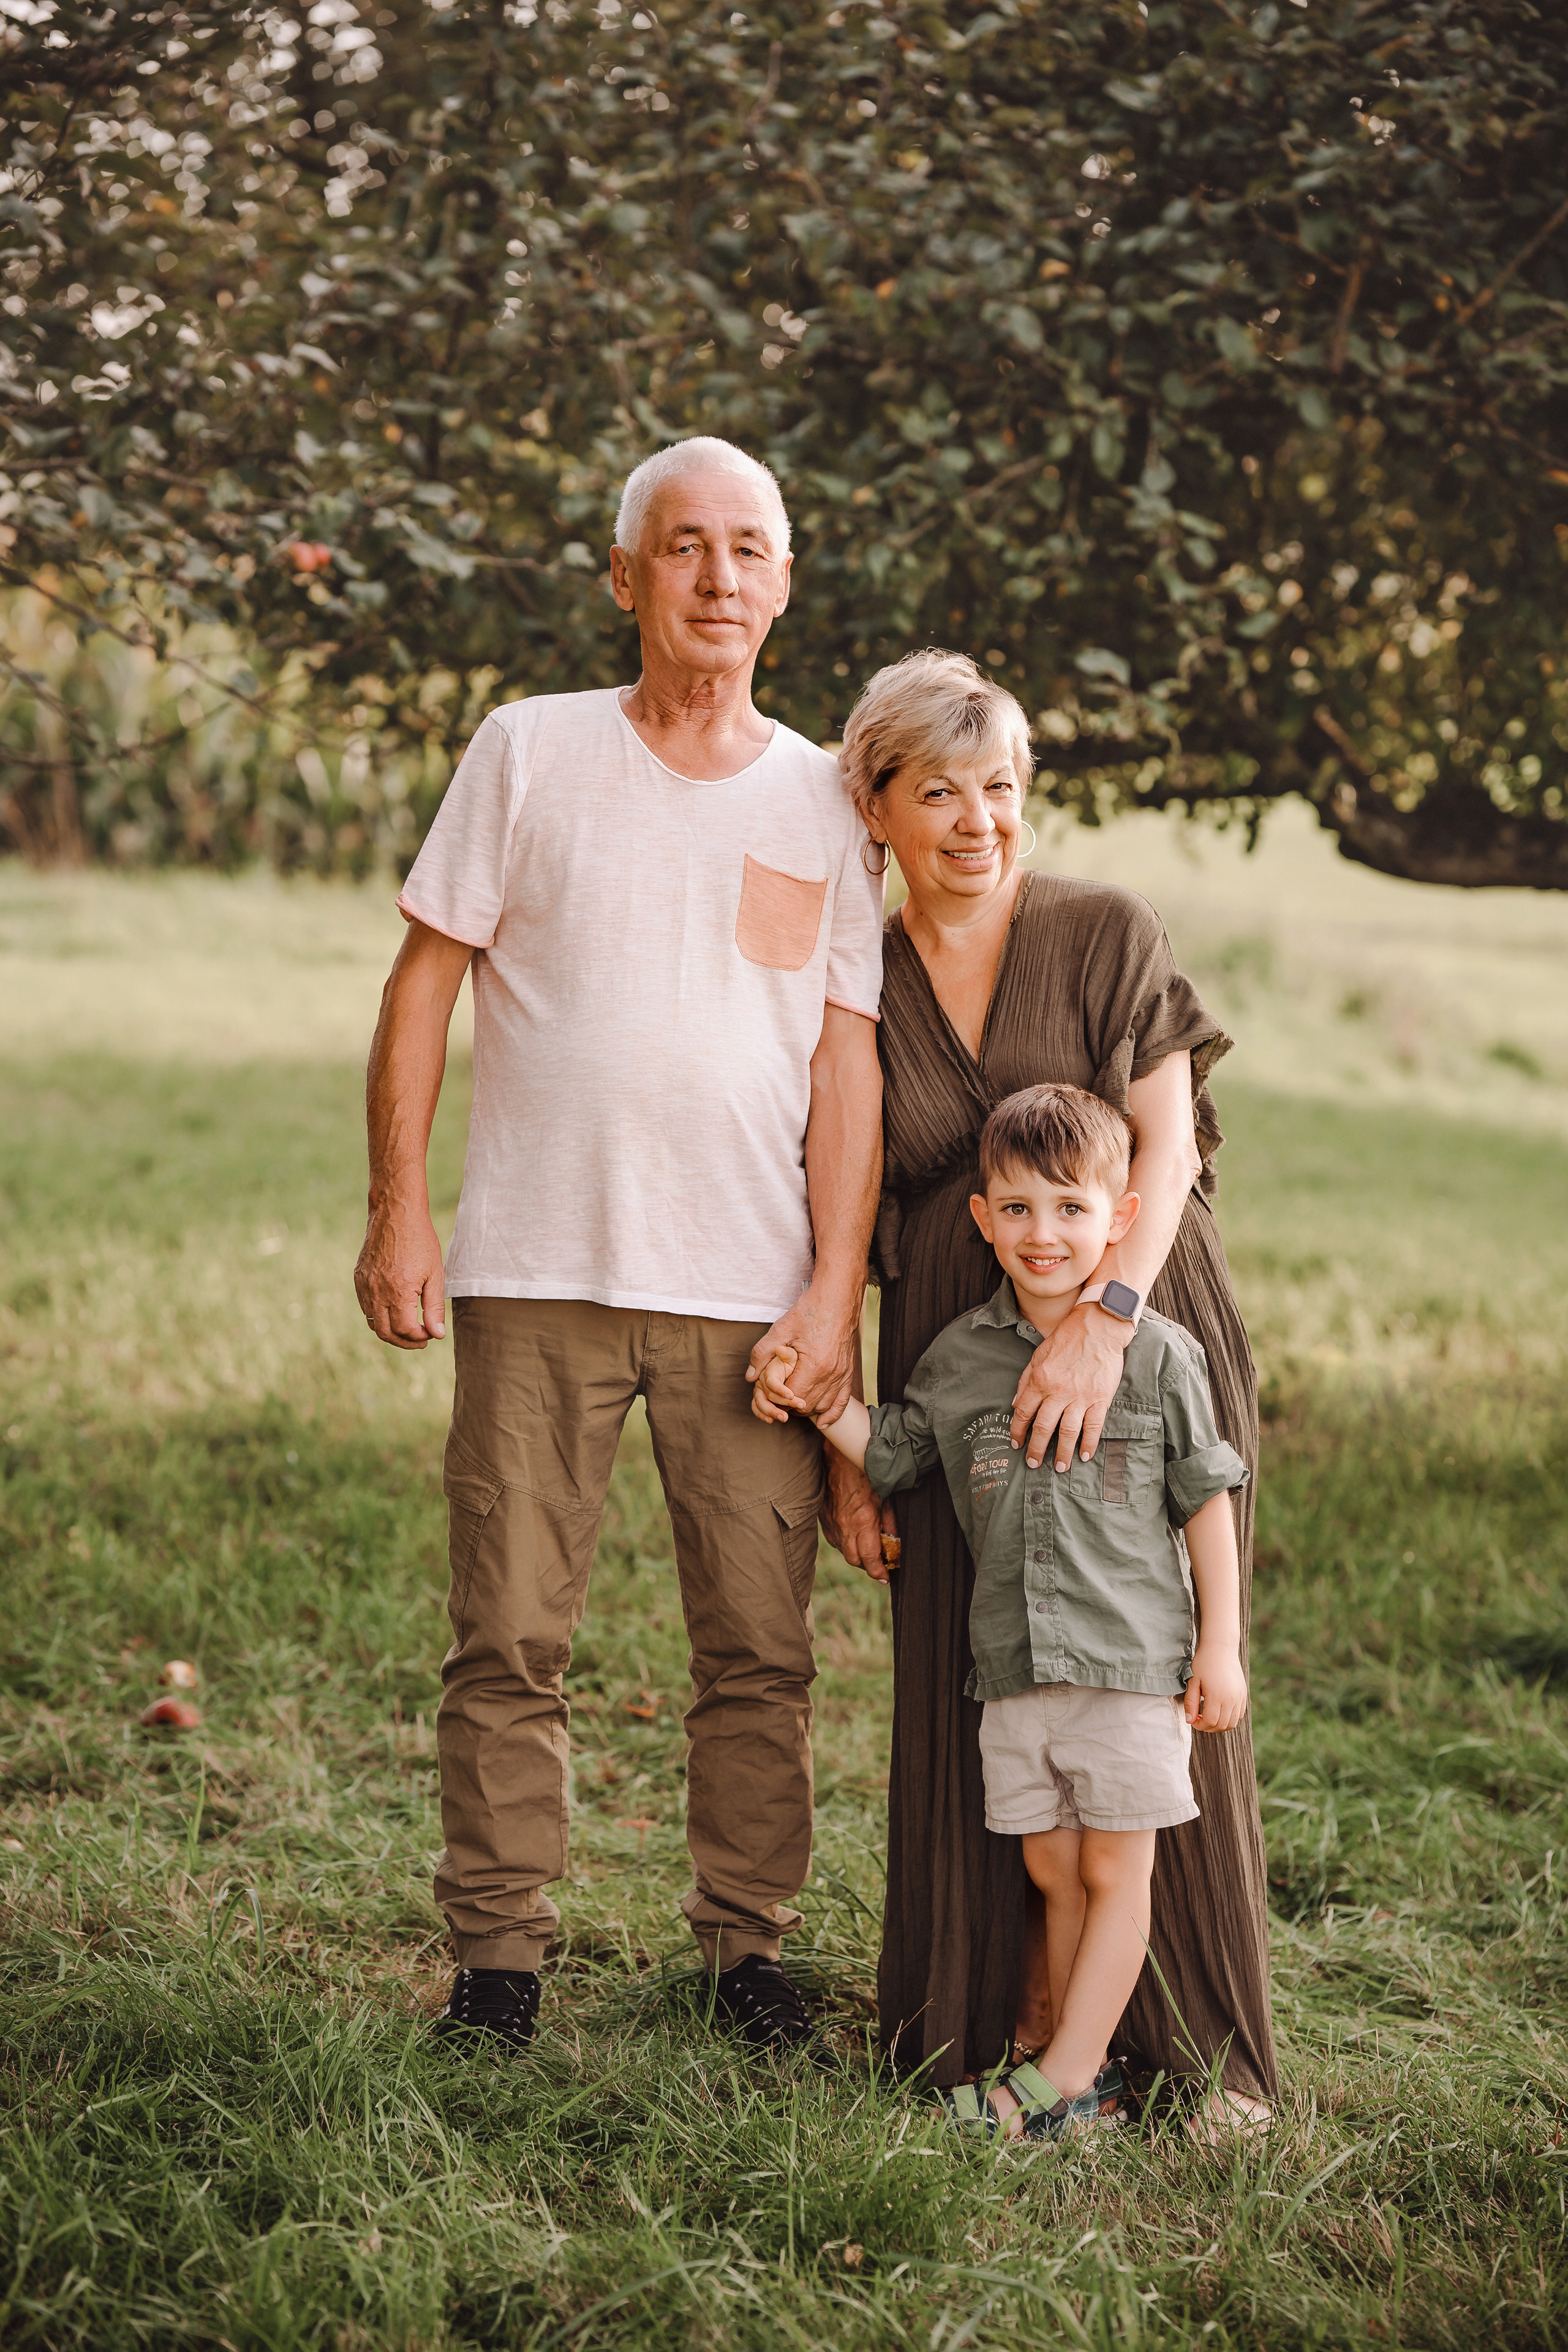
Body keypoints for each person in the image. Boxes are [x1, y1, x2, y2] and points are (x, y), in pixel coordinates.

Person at [353, 436, 884, 2057]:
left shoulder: (827, 796)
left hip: (750, 1296)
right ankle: (499, 1964)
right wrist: (399, 1206)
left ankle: (745, 1952)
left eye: (750, 549)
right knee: (509, 1636)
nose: (718, 577)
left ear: (786, 584)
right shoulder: (530, 752)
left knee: (758, 1648)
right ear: (624, 577)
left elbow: (845, 1059)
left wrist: (831, 1290)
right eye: (684, 547)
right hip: (536, 1272)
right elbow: (424, 984)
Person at [806, 648, 1278, 2130]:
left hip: (1137, 1324)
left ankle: (1190, 2060)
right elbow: (843, 1195)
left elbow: (1164, 1148)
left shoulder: (1098, 930)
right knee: (986, 1680)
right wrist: (844, 1453)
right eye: (934, 791)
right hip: (951, 1355)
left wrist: (1104, 1321)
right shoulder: (856, 970)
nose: (973, 820)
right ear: (872, 807)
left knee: (1149, 1681)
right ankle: (992, 2033)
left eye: (998, 787)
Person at [758, 1082, 1250, 2136]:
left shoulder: (1157, 1355)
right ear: (983, 1218)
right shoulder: (959, 1357)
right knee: (1051, 1869)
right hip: (1015, 1666)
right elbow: (892, 1450)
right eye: (1018, 1208)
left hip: (1130, 1665)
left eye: (1073, 1208)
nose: (1044, 1234)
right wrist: (814, 1395)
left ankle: (1057, 2082)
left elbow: (1207, 1499)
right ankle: (1091, 2079)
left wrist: (1224, 1646)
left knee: (1117, 1871)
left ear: (1120, 1217)